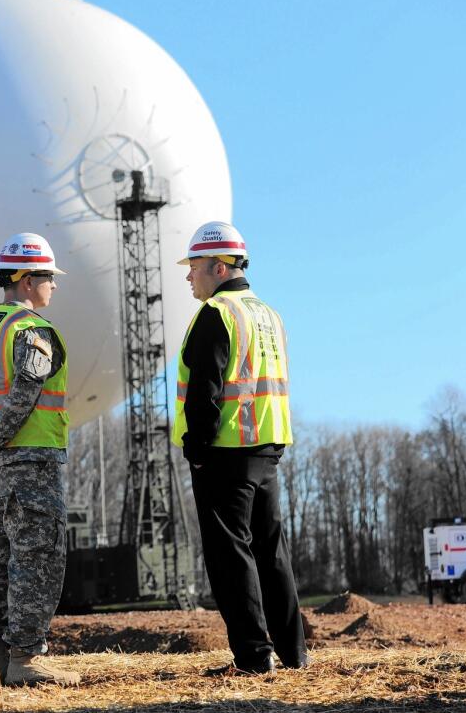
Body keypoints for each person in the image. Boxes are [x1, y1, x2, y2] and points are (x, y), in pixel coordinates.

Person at [170, 221, 308, 675]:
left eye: (193, 267)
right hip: (267, 449)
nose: (189, 277)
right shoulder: (269, 314)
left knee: (231, 558)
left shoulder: (217, 313)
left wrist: (197, 447)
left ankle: (253, 656)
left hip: (223, 452)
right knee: (271, 552)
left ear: (217, 265)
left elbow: (204, 390)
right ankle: (294, 653)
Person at [0, 232, 80, 687]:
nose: (54, 285)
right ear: (26, 280)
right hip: (28, 465)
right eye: (48, 276)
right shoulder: (31, 331)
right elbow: (26, 393)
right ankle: (26, 658)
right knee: (37, 559)